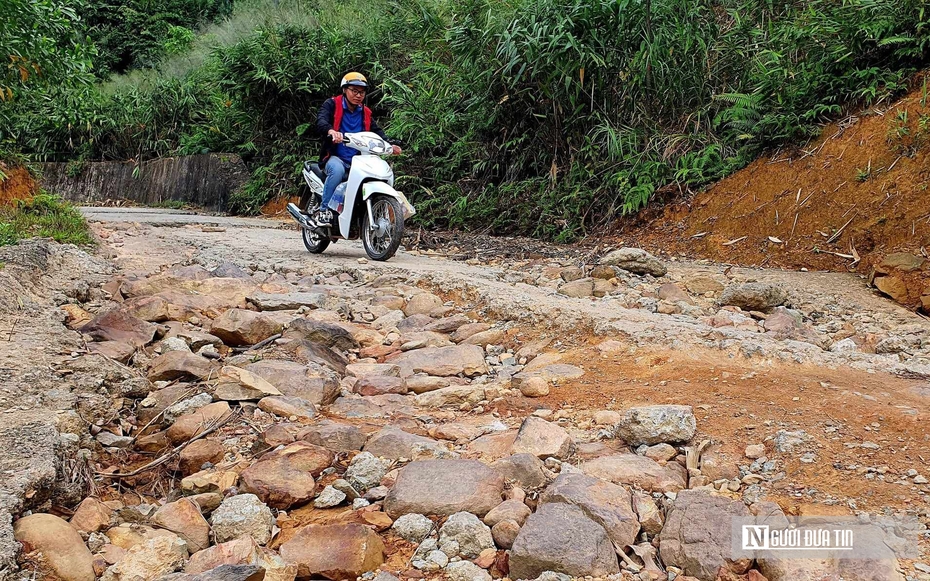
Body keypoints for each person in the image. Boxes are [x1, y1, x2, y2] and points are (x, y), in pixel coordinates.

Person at [311, 72, 401, 228]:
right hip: (335, 156)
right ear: (345, 90)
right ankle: (324, 211)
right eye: (354, 90)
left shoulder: (365, 112)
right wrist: (331, 131)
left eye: (362, 92)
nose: (358, 95)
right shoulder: (332, 104)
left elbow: (376, 131)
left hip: (358, 160)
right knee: (337, 171)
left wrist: (389, 145)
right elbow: (321, 120)